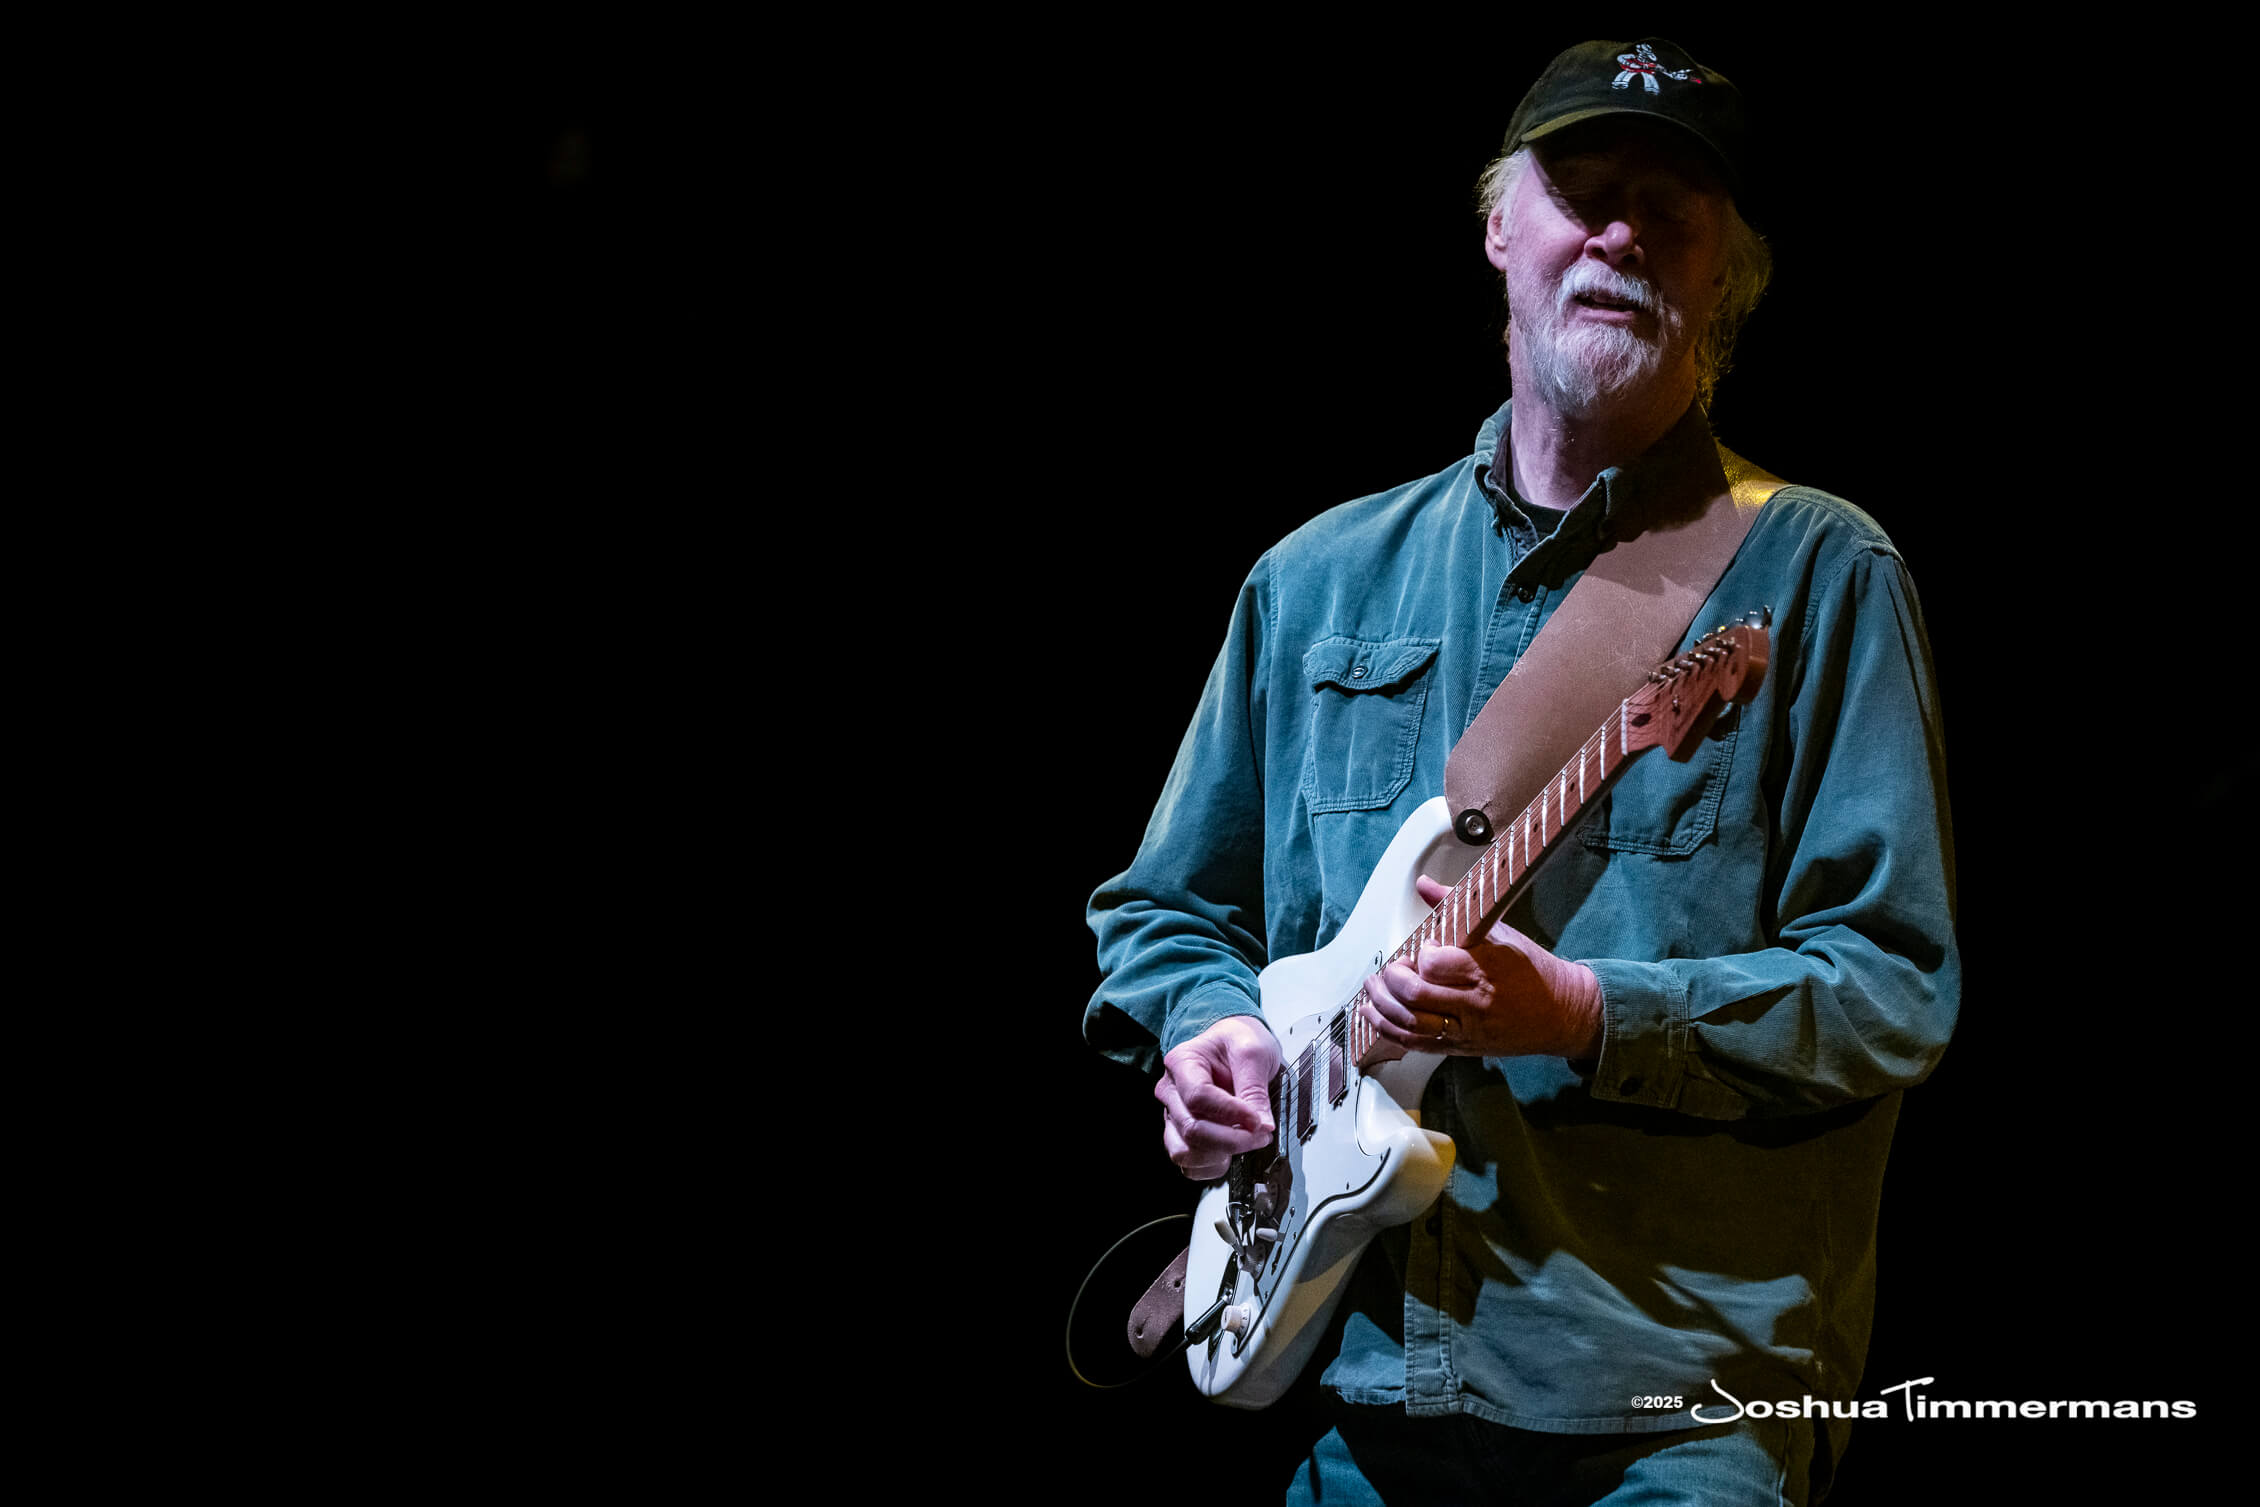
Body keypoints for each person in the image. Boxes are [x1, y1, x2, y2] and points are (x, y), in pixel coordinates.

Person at [1083, 37, 1959, 1505]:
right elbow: (1165, 912)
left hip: (1675, 1404)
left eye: (1670, 208)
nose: (1621, 233)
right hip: (1354, 1389)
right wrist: (1210, 1032)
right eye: (1583, 190)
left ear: (1729, 274)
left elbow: (1893, 986)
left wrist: (1586, 1015)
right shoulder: (1316, 582)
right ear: (1500, 227)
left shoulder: (1819, 571)